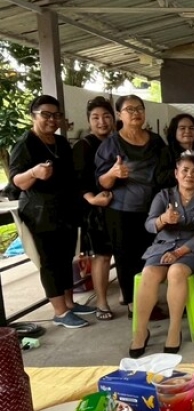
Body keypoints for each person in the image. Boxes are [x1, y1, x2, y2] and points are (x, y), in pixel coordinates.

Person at [10, 95, 93, 329]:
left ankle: (69, 303)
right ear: (33, 116)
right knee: (50, 261)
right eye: (45, 115)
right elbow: (16, 181)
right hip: (40, 212)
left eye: (56, 115)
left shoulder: (61, 142)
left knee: (66, 258)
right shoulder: (25, 144)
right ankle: (59, 312)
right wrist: (34, 173)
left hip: (64, 209)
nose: (51, 119)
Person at [129, 155, 194, 357]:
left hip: (191, 250)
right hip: (162, 247)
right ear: (176, 173)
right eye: (185, 170)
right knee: (149, 273)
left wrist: (179, 252)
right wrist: (163, 219)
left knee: (176, 272)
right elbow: (149, 224)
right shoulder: (164, 196)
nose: (189, 175)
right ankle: (141, 332)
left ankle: (174, 329)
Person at [96, 94, 166, 317]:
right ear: (120, 115)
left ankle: (150, 301)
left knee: (150, 256)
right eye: (129, 109)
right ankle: (134, 305)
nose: (135, 113)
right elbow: (102, 182)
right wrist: (113, 173)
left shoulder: (156, 141)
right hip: (122, 211)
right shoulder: (111, 144)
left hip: (152, 209)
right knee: (126, 259)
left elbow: (166, 171)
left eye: (139, 109)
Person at [72, 96, 115, 321]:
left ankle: (128, 297)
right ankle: (101, 302)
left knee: (124, 254)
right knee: (102, 256)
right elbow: (78, 180)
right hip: (96, 210)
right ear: (89, 121)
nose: (102, 122)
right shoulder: (84, 146)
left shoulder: (118, 141)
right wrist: (92, 199)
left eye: (106, 116)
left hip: (120, 206)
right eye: (96, 117)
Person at [157, 113, 194, 188]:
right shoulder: (166, 152)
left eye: (191, 128)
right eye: (182, 128)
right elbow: (160, 178)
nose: (187, 131)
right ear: (174, 131)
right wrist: (182, 169)